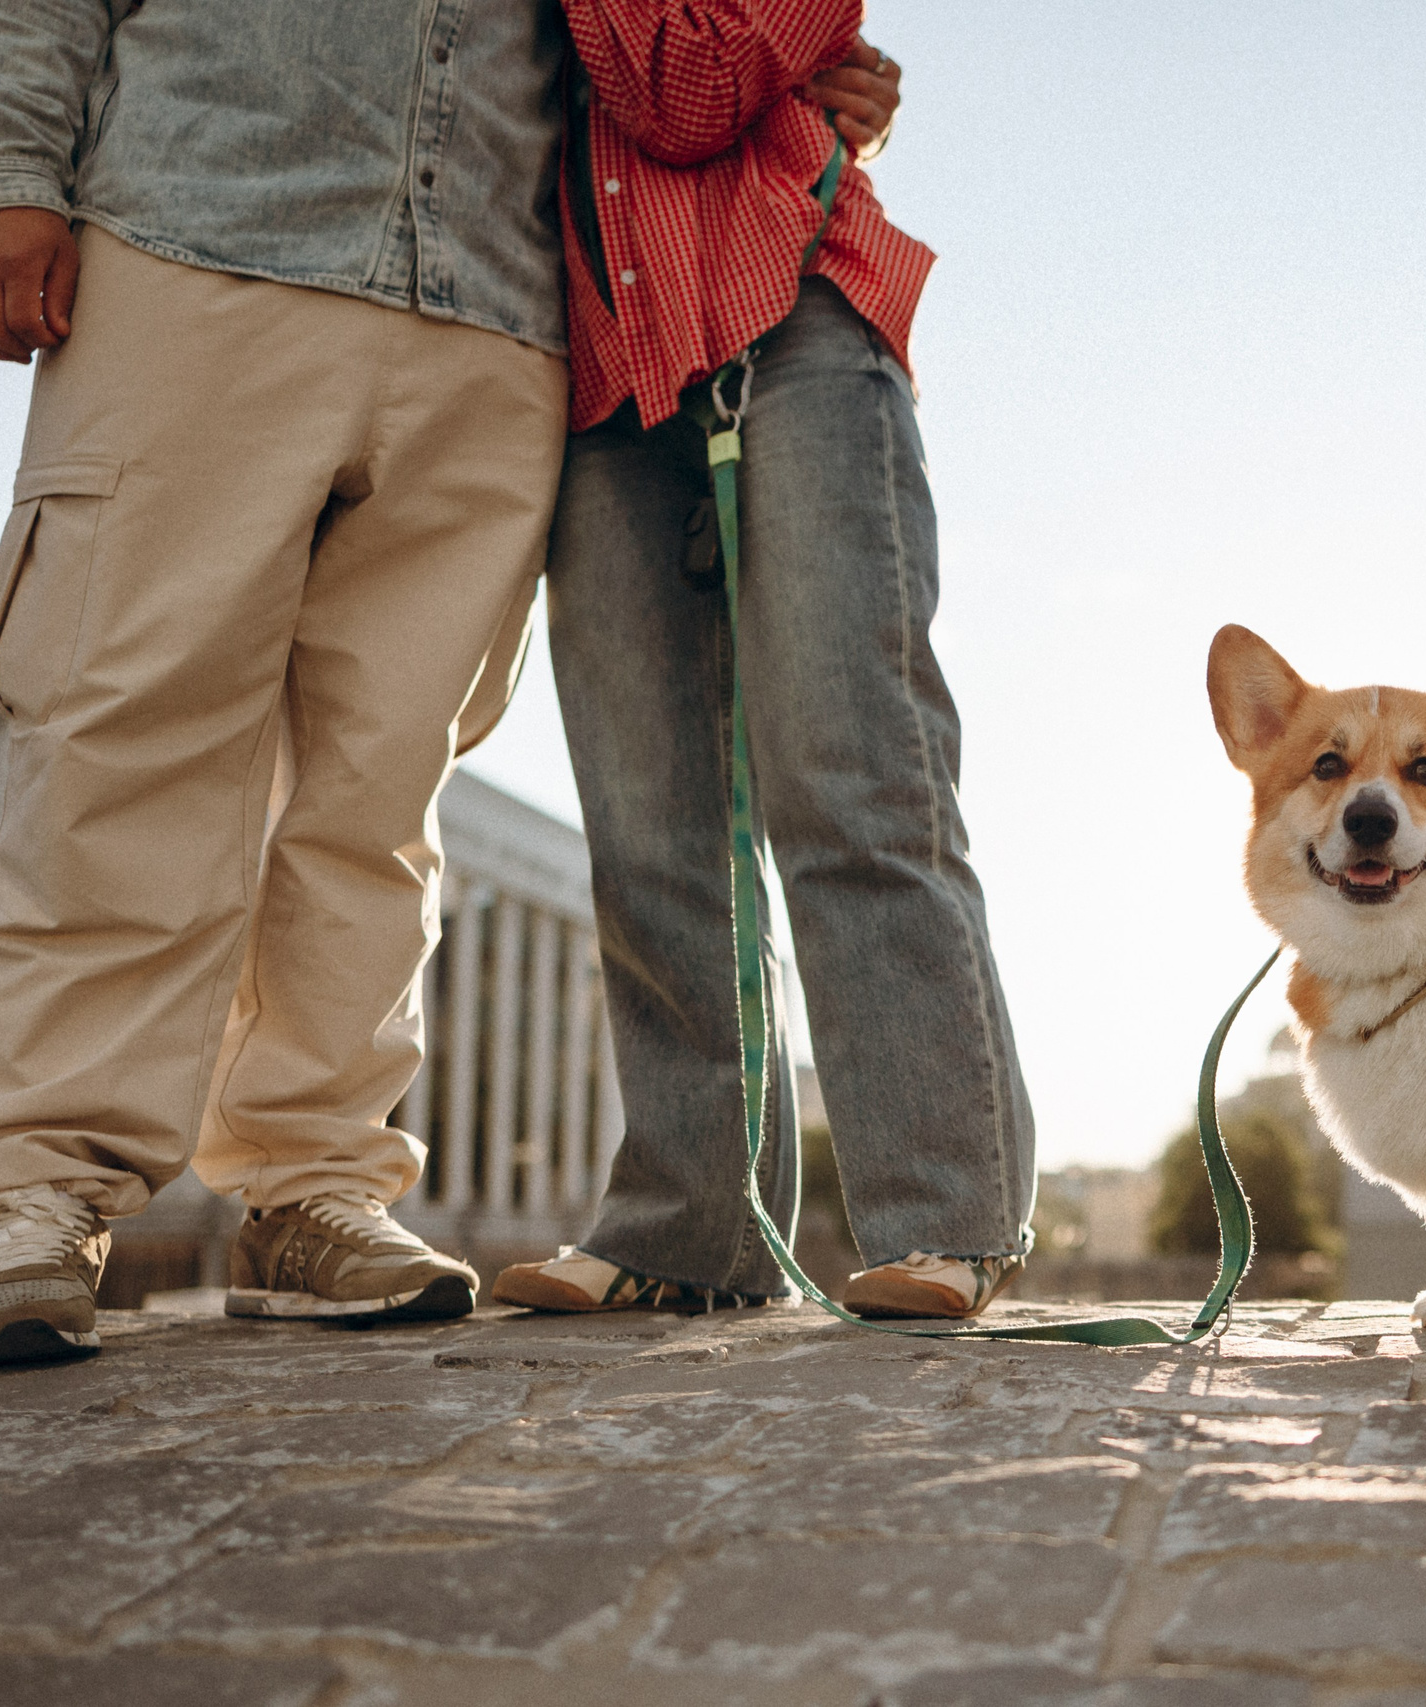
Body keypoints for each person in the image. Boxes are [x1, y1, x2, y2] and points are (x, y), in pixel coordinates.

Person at [0, 2, 575, 1364]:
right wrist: (1, 177)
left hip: (492, 304)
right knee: (121, 732)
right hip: (194, 240)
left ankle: (314, 1187)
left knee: (383, 791)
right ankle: (33, 1184)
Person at [488, 3, 1037, 1321]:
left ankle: (945, 1212)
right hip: (604, 374)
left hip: (792, 327)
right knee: (648, 823)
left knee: (850, 771)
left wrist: (795, 69)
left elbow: (681, 86)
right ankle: (692, 1228)